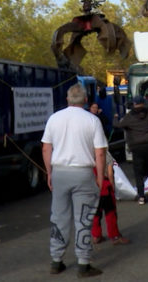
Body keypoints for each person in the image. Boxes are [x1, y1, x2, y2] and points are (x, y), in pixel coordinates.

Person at [42, 83, 108, 278]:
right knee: (84, 218)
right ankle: (83, 263)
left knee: (59, 216)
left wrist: (49, 173)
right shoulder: (92, 120)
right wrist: (100, 176)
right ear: (86, 100)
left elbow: (46, 148)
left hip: (60, 172)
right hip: (83, 173)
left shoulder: (54, 119)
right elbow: (100, 153)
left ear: (67, 100)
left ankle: (56, 260)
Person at [90, 147, 131, 245]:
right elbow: (110, 173)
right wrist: (112, 186)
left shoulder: (87, 153)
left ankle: (96, 235)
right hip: (104, 186)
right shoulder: (105, 153)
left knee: (95, 213)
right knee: (110, 212)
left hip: (91, 187)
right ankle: (115, 236)